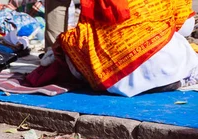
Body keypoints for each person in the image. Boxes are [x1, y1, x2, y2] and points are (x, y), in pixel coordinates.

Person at [58, 0, 198, 96]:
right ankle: (170, 80)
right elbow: (186, 28)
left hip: (107, 78)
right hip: (163, 69)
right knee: (180, 42)